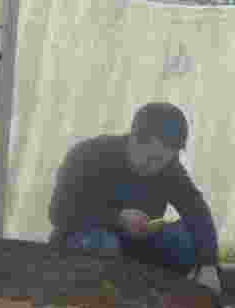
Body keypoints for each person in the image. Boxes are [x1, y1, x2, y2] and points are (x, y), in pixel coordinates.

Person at [48, 102, 222, 294]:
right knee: (102, 243)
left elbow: (197, 211)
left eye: (163, 161)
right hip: (83, 240)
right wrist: (117, 218)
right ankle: (92, 299)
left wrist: (209, 265)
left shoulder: (169, 169)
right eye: (151, 158)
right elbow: (58, 211)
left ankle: (157, 294)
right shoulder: (89, 154)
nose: (155, 166)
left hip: (134, 244)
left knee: (185, 238)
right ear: (134, 138)